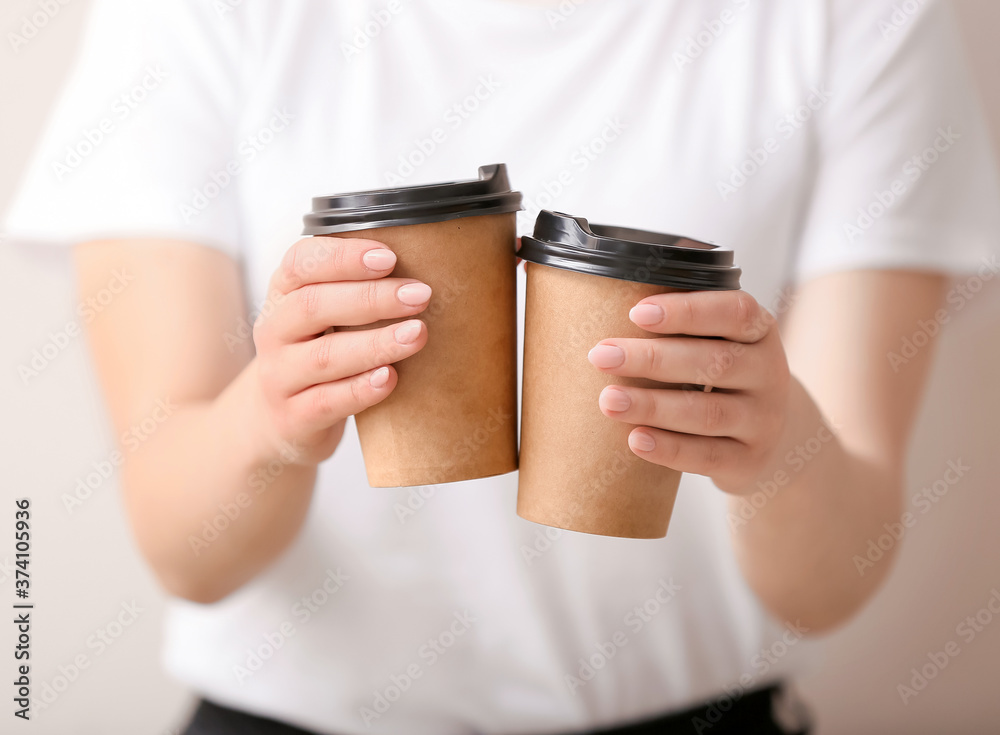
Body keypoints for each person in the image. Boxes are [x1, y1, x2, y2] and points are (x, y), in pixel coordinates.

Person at [6, 0, 999, 733]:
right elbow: (187, 552)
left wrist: (780, 446)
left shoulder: (862, 18)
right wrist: (267, 417)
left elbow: (829, 581)